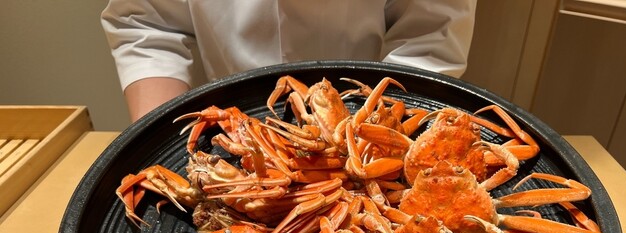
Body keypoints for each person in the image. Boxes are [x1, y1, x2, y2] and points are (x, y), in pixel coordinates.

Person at [101, 0, 477, 122]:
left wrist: (379, 135)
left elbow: (429, 34)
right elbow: (147, 23)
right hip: (233, 129)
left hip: (367, 124)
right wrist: (159, 146)